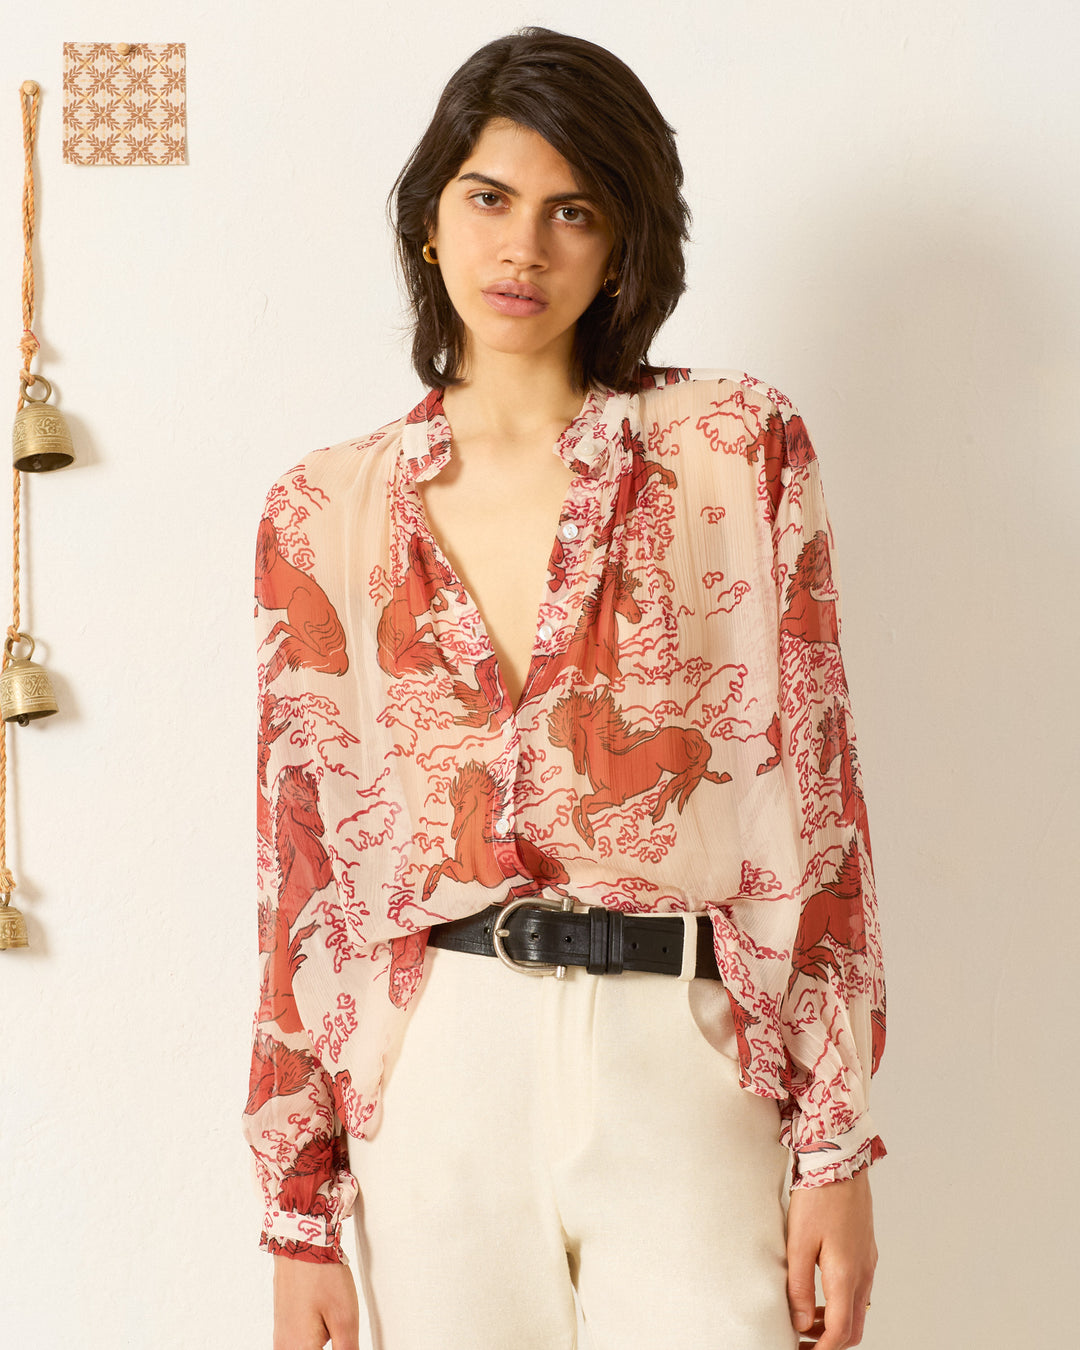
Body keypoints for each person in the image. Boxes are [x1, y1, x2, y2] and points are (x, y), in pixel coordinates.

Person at [245, 27, 885, 1350]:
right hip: (440, 1064)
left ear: (622, 243)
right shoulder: (324, 511)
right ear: (430, 223)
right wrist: (300, 1215)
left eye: (572, 211)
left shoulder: (733, 448)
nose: (523, 249)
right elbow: (306, 868)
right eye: (488, 197)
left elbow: (815, 803)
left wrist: (834, 1146)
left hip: (682, 1046)